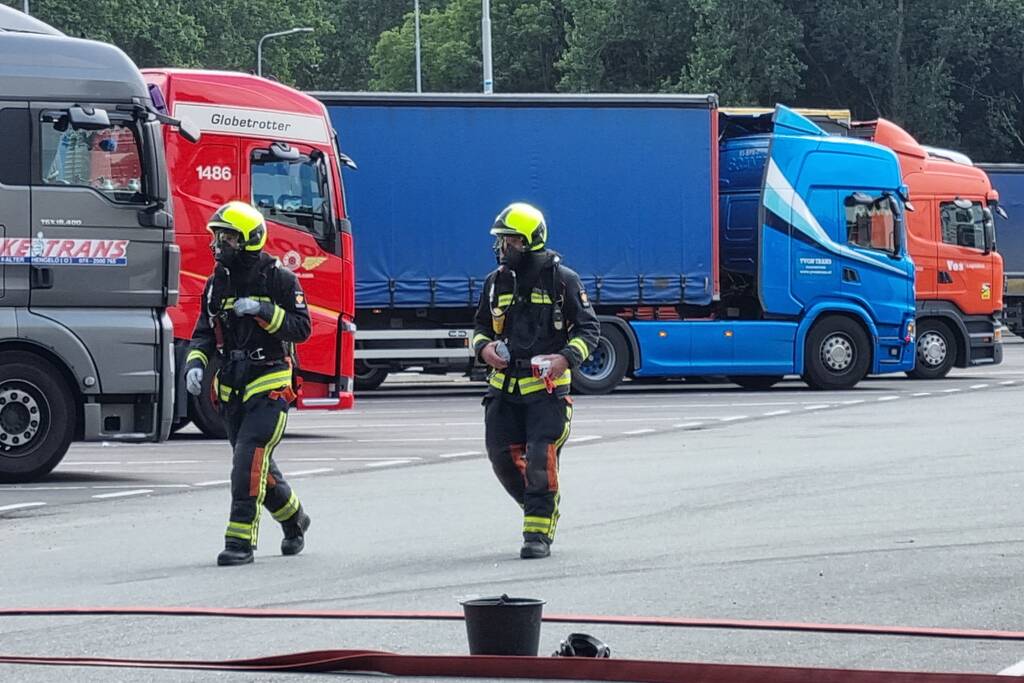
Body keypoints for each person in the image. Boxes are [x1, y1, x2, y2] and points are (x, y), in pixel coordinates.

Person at [183, 201, 312, 566]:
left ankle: (240, 542)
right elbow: (203, 333)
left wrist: (263, 311)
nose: (217, 245)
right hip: (231, 387)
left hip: (269, 382)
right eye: (217, 237)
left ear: (248, 241)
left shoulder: (280, 279)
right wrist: (196, 364)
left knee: (247, 463)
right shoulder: (216, 283)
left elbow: (302, 329)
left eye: (226, 238)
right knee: (258, 468)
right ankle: (294, 518)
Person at [472, 202, 600, 559]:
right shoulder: (495, 282)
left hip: (546, 393)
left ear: (528, 241)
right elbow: (480, 327)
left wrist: (565, 359)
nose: (501, 248)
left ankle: (538, 534)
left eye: (508, 240)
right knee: (501, 458)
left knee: (541, 459)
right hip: (502, 390)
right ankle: (539, 506)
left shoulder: (563, 280)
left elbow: (590, 329)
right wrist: (484, 350)